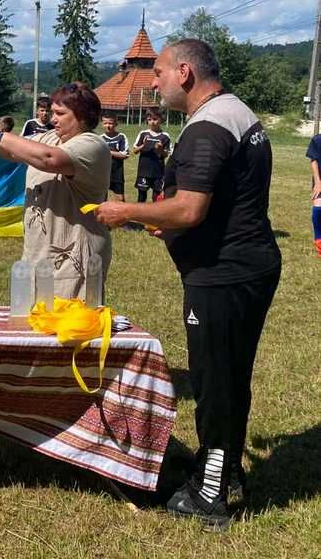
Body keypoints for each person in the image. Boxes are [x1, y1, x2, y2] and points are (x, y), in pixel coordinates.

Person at [95, 39, 281, 531]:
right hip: (249, 264)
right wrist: (173, 224)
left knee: (214, 381)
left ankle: (210, 492)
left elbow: (190, 208)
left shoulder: (205, 128)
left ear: (184, 73)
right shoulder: (237, 111)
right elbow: (218, 203)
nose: (151, 83)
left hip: (223, 274)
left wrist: (126, 211)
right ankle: (228, 469)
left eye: (157, 73)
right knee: (232, 374)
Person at [0, 82, 111, 297]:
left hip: (74, 260)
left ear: (82, 116)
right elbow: (15, 152)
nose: (53, 118)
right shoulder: (51, 138)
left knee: (68, 324)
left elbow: (49, 159)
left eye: (60, 113)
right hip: (39, 257)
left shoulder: (92, 145)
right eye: (52, 112)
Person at [132, 108, 172, 202]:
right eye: (149, 119)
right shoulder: (143, 134)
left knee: (156, 198)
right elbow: (134, 151)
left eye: (155, 119)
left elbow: (166, 154)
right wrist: (143, 146)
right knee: (141, 197)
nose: (152, 122)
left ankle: (155, 216)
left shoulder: (165, 136)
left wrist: (160, 149)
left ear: (161, 119)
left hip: (158, 173)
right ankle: (140, 216)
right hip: (144, 171)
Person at [100, 113, 129, 202]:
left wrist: (108, 152)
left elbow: (124, 155)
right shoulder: (100, 139)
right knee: (102, 198)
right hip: (103, 172)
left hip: (117, 172)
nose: (108, 126)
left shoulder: (121, 137)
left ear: (116, 124)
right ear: (102, 124)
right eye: (105, 123)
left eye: (110, 123)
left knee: (120, 199)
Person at [310, 131, 321, 257]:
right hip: (320, 180)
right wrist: (318, 182)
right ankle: (319, 240)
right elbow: (314, 160)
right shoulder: (317, 140)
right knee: (318, 209)